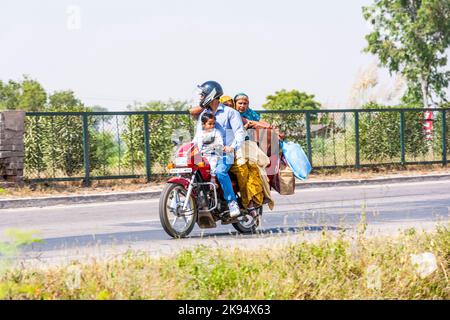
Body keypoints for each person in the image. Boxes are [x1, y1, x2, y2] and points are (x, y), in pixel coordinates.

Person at [193, 81, 247, 218]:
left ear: (211, 95)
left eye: (203, 94)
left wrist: (232, 147)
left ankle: (232, 202)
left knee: (220, 171)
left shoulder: (231, 113)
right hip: (206, 153)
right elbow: (197, 136)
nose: (200, 97)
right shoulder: (204, 115)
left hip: (225, 153)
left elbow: (240, 133)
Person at [230, 92, 275, 216]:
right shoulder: (232, 114)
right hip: (231, 147)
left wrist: (269, 127)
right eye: (240, 103)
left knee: (255, 169)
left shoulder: (249, 112)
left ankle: (253, 201)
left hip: (245, 146)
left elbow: (259, 121)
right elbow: (253, 123)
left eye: (245, 103)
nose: (242, 106)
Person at [193, 113, 223, 187]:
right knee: (194, 164)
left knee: (213, 163)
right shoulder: (200, 133)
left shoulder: (216, 132)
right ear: (203, 124)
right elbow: (194, 142)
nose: (212, 126)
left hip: (212, 154)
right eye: (210, 124)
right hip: (201, 155)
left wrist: (215, 145)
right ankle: (195, 180)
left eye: (213, 124)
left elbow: (220, 142)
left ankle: (213, 180)